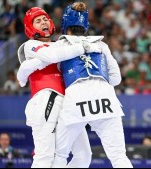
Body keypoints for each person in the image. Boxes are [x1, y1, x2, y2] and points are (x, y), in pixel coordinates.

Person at [17, 7, 101, 168]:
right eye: (38, 21)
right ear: (30, 27)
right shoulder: (30, 45)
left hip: (70, 103)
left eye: (45, 19)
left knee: (83, 156)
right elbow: (51, 56)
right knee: (45, 157)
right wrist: (82, 47)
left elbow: (52, 57)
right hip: (45, 98)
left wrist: (35, 64)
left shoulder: (61, 46)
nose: (43, 22)